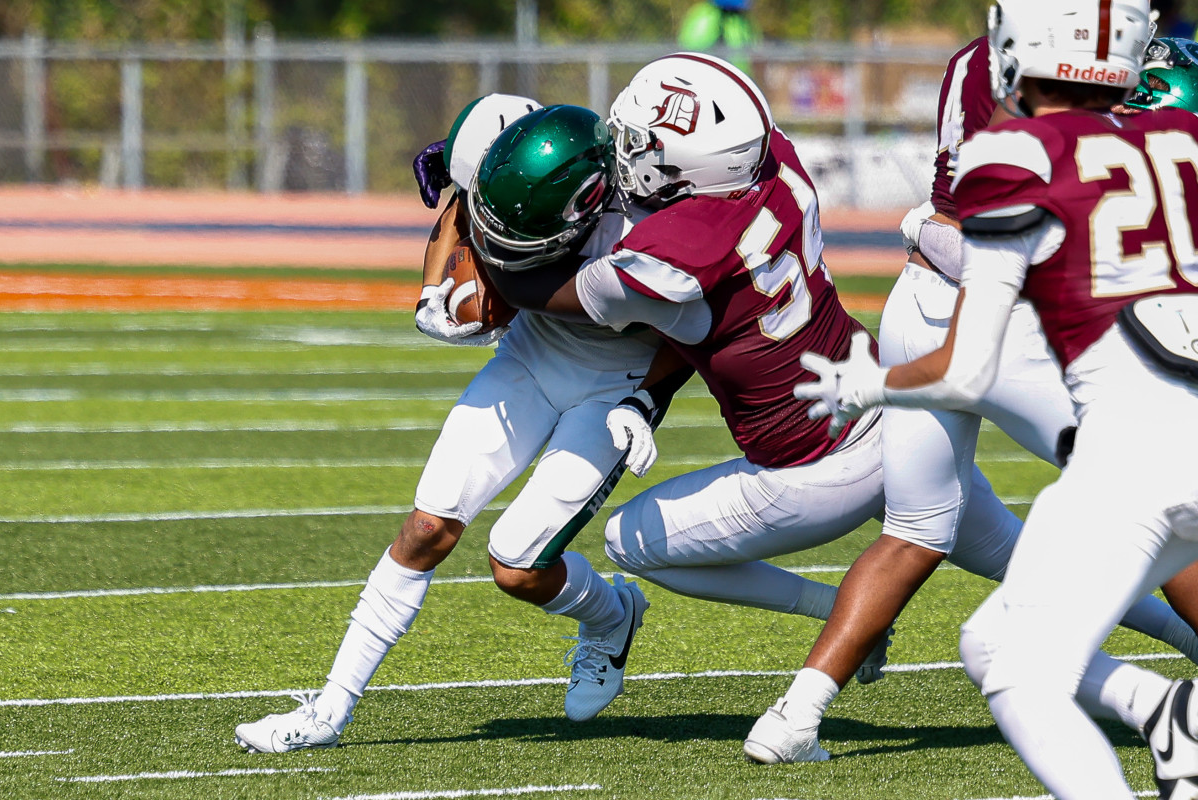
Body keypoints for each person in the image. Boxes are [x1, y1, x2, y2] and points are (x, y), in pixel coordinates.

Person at [450, 52, 1198, 734]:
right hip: (879, 399)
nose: (629, 154)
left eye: (643, 146)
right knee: (1016, 552)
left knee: (629, 543)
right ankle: (1183, 635)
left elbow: (546, 286)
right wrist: (647, 397)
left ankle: (832, 622)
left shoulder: (668, 261)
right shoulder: (777, 164)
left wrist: (477, 238)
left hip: (813, 467)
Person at [741, 32, 1198, 765]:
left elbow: (952, 211)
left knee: (914, 528)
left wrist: (926, 224)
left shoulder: (985, 62)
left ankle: (793, 717)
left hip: (916, 305)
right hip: (995, 328)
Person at [234, 96, 666, 753]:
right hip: (530, 356)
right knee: (426, 528)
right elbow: (458, 211)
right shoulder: (511, 156)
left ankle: (611, 615)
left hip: (612, 384)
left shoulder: (651, 229)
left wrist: (646, 403)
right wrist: (430, 298)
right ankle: (328, 712)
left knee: (518, 567)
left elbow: (695, 332)